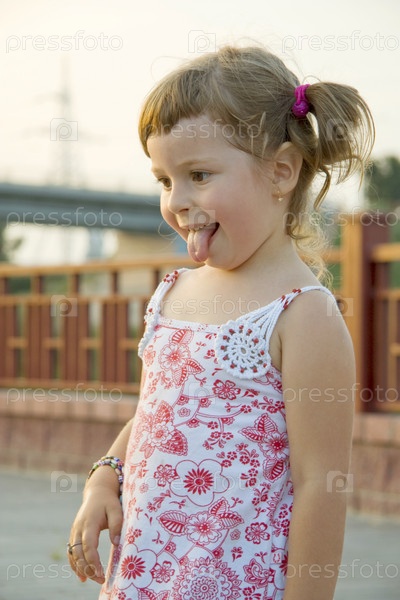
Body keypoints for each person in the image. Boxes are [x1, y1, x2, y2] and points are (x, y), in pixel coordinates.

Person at [67, 44, 374, 600]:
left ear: (281, 171)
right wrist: (104, 477)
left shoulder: (303, 314)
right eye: (164, 180)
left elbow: (320, 487)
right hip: (143, 579)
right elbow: (158, 413)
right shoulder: (173, 292)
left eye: (199, 174)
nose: (178, 201)